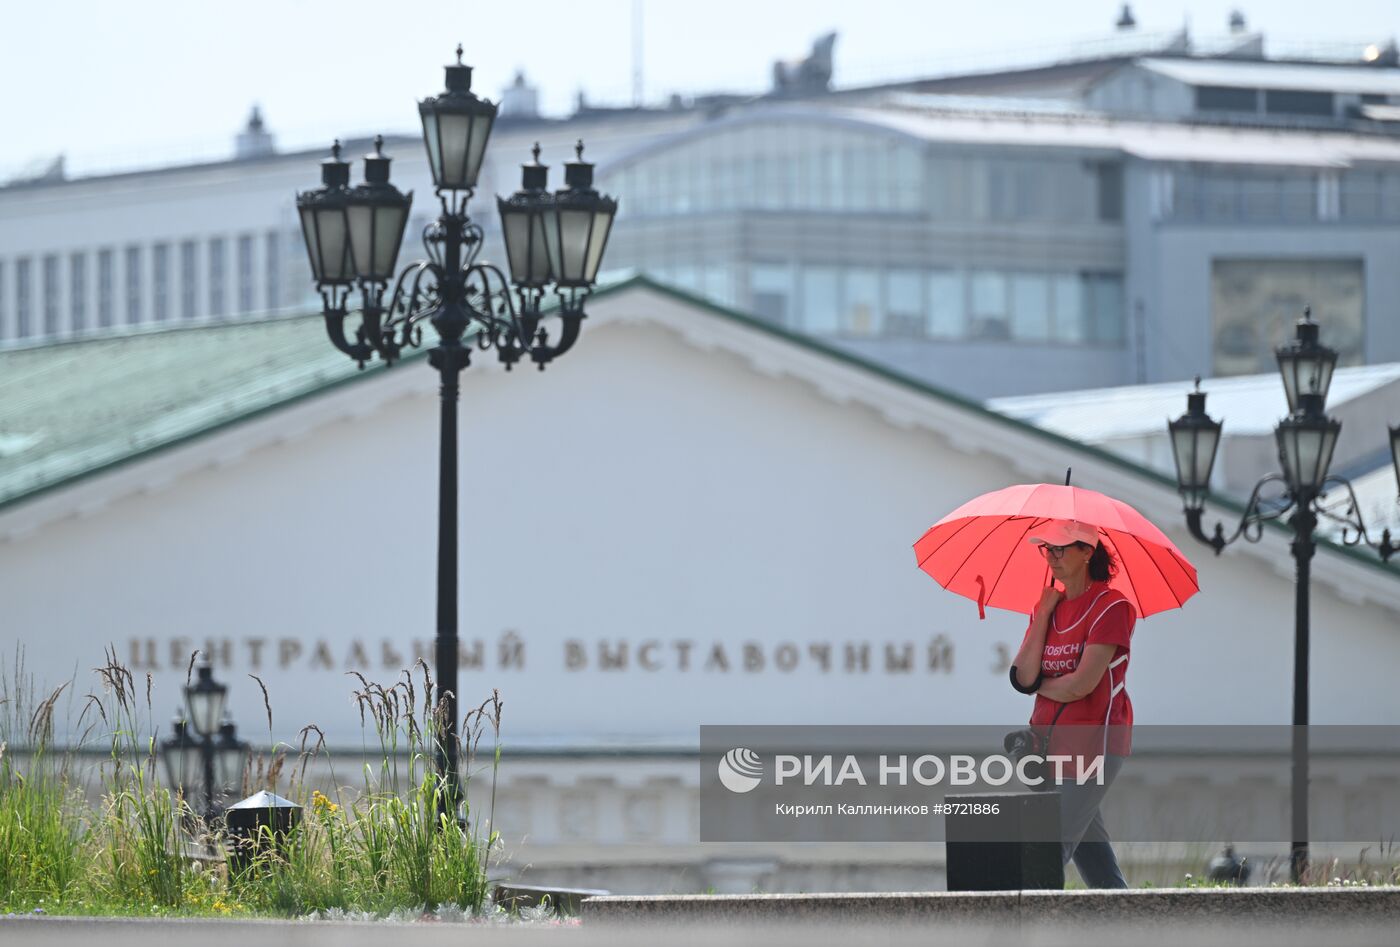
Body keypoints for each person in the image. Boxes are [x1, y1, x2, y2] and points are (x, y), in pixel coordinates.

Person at [1008, 519, 1135, 889]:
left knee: (1046, 854)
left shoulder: (1112, 607)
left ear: (1087, 552)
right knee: (1098, 868)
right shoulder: (1046, 607)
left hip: (1094, 744)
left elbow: (1081, 685)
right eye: (1047, 548)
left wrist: (1039, 685)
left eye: (1061, 548)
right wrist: (1044, 614)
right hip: (1049, 745)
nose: (1052, 556)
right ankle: (1134, 929)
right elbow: (1022, 676)